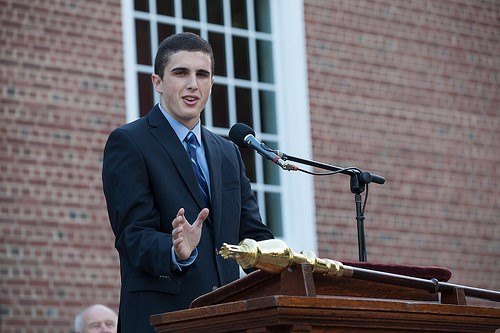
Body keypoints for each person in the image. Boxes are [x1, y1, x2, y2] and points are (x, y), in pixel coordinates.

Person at [102, 32, 274, 332]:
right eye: (181, 73)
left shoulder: (228, 152)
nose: (193, 83)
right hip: (162, 318)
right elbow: (132, 236)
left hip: (227, 319)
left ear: (211, 84)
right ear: (157, 82)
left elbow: (251, 231)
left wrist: (288, 261)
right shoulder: (129, 142)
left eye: (202, 74)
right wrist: (175, 249)